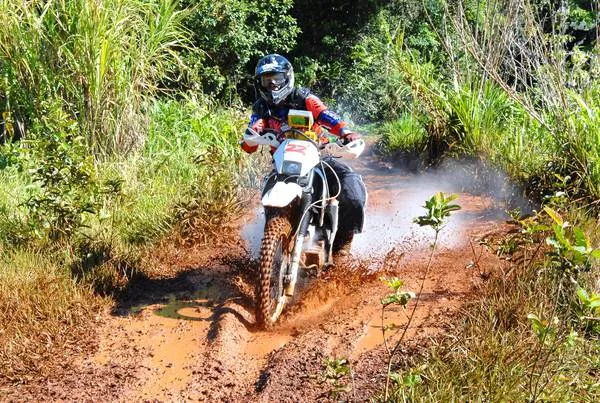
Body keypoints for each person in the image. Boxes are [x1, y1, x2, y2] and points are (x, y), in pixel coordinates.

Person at [240, 54, 367, 255]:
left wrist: (345, 132)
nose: (273, 84)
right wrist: (252, 134)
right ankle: (271, 244)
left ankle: (343, 243)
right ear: (260, 83)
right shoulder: (261, 107)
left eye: (277, 78)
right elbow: (252, 136)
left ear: (287, 77)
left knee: (351, 188)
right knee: (268, 189)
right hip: (284, 161)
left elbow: (328, 116)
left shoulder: (305, 98)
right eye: (267, 80)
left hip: (319, 155)